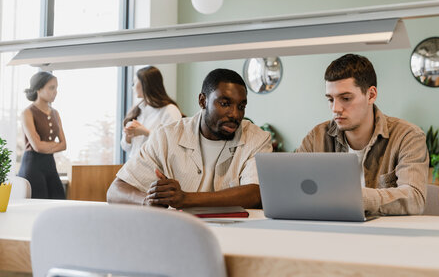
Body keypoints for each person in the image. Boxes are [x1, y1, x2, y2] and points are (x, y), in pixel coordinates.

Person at [107, 68, 272, 209]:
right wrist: (148, 201)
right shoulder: (166, 136)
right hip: (180, 233)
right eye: (225, 104)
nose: (235, 114)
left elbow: (255, 193)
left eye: (241, 107)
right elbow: (115, 191)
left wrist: (185, 199)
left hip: (238, 233)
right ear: (202, 101)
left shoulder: (257, 138)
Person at [297, 54, 429, 215]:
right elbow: (293, 188)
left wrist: (353, 197)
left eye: (345, 98)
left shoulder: (407, 136)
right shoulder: (316, 137)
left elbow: (414, 199)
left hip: (383, 236)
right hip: (330, 232)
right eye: (331, 99)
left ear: (371, 95)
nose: (335, 109)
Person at [18, 71, 66, 199]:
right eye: (51, 88)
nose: (55, 92)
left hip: (50, 164)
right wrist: (54, 145)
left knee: (59, 200)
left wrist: (45, 145)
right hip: (32, 164)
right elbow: (37, 146)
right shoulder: (27, 112)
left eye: (56, 88)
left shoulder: (56, 113)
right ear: (39, 89)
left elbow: (64, 145)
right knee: (37, 204)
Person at [121, 66, 182, 160]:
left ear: (144, 84)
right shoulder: (138, 111)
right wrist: (128, 136)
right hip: (134, 167)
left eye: (135, 82)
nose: (132, 86)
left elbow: (172, 143)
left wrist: (145, 132)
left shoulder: (170, 110)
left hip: (156, 169)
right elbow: (126, 147)